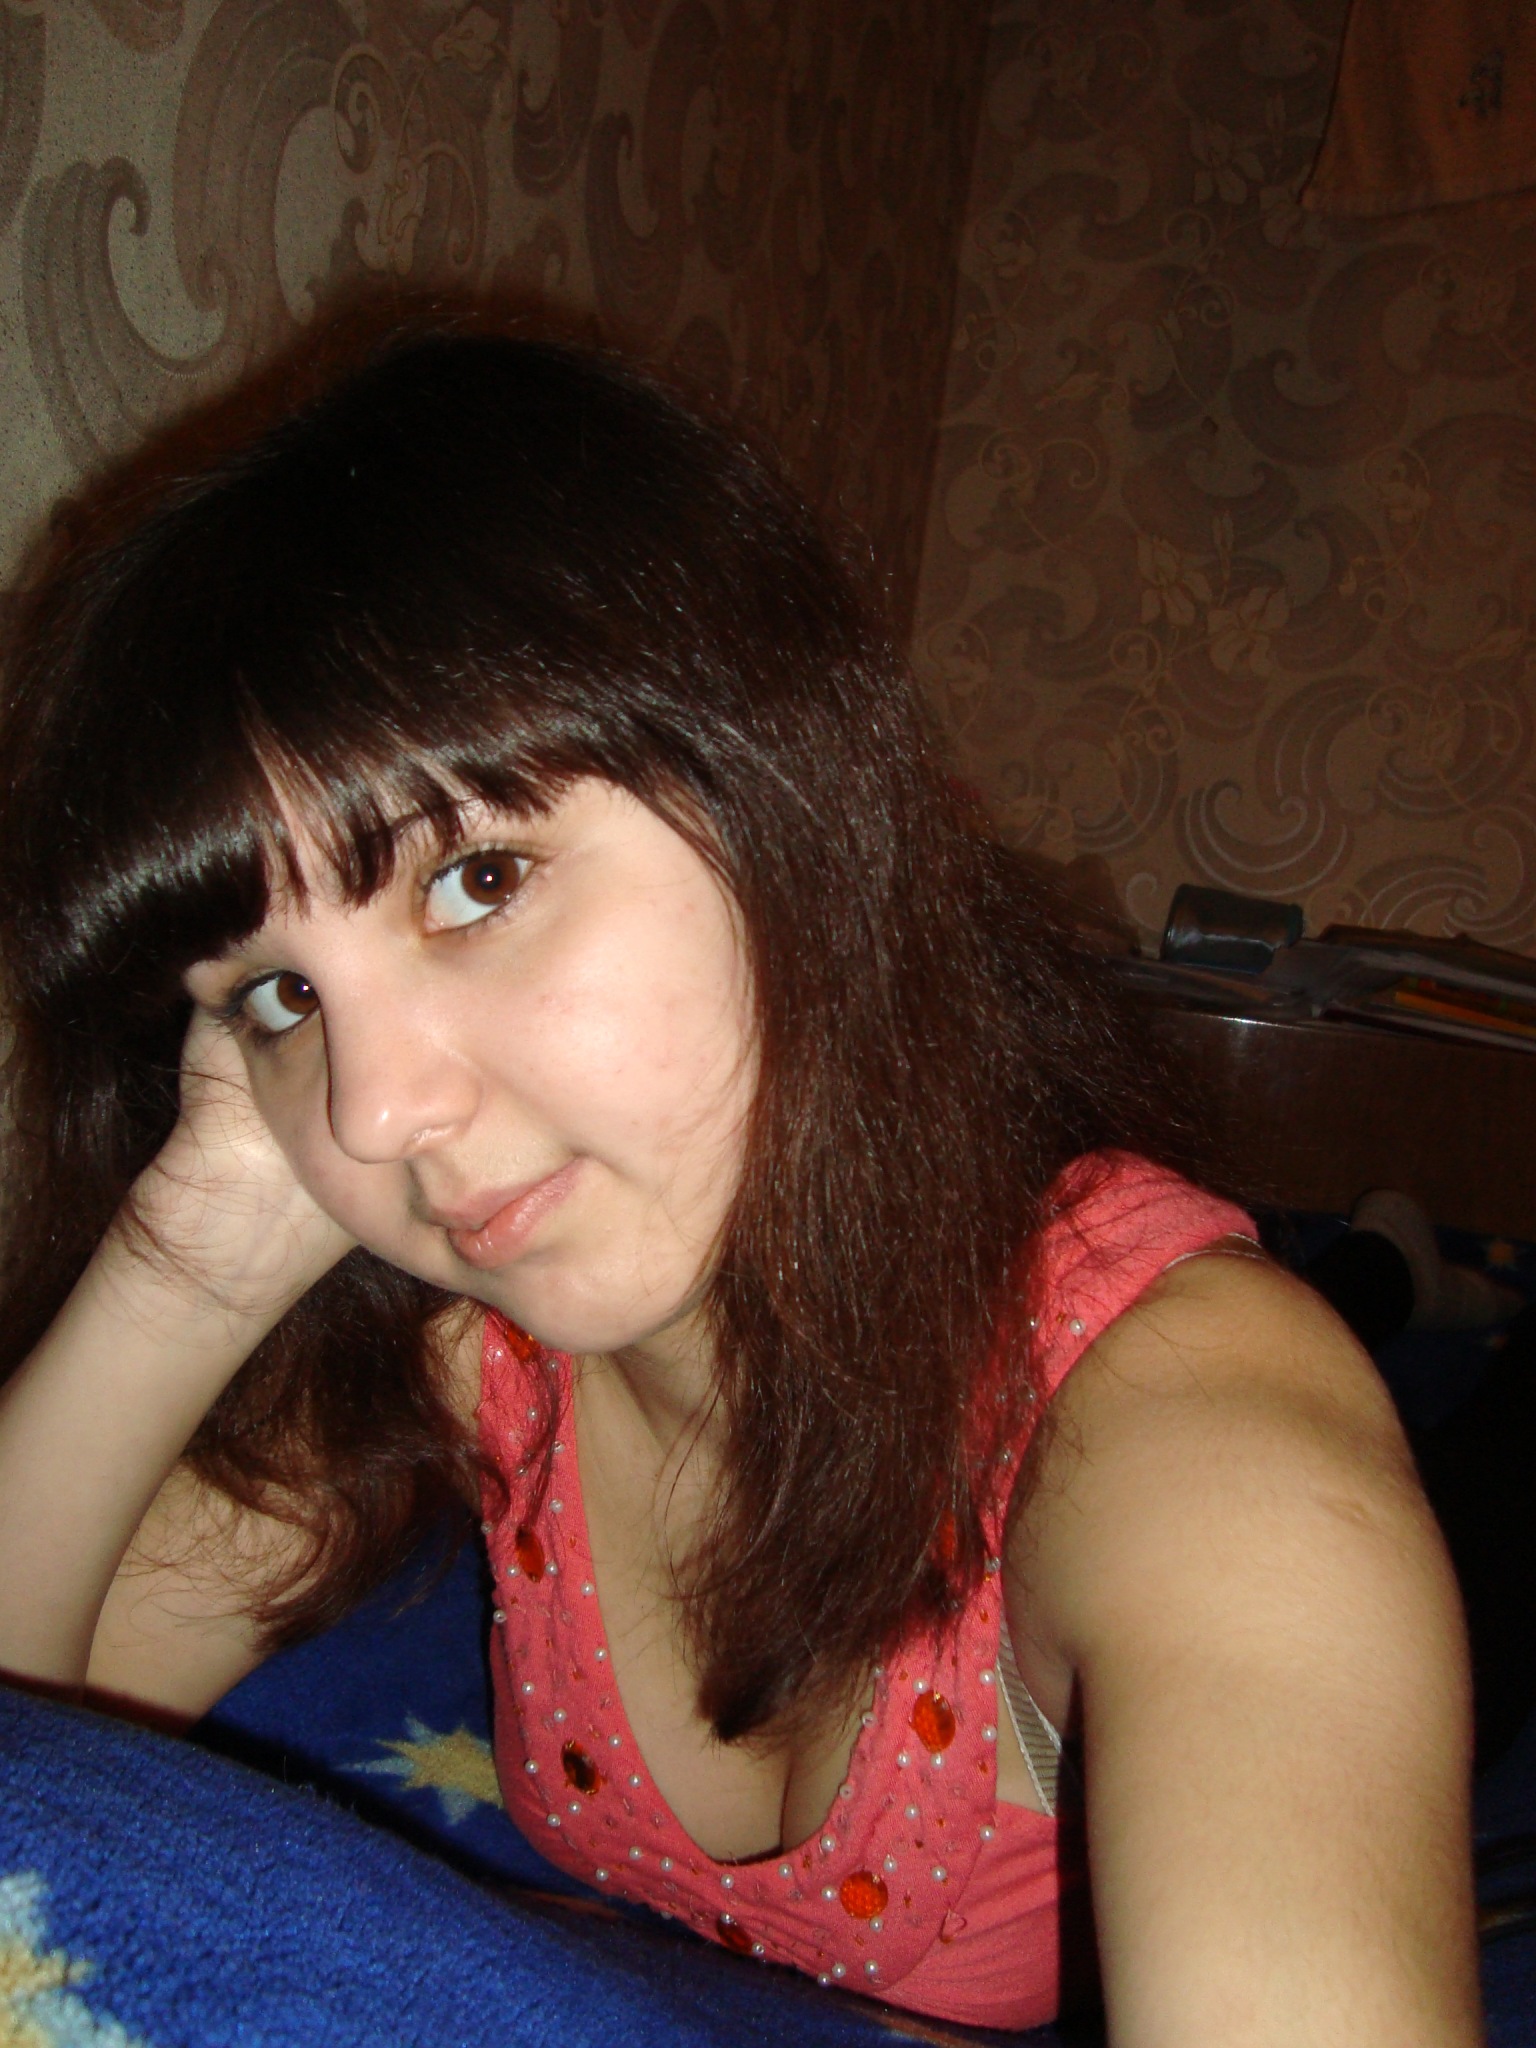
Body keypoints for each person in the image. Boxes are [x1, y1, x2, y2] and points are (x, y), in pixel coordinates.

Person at [0, 324, 1481, 2044]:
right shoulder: (489, 1350)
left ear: (786, 801)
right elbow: (29, 1721)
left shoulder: (1194, 1444)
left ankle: (1404, 1274)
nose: (382, 1107)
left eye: (478, 882)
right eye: (278, 994)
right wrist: (191, 1259)